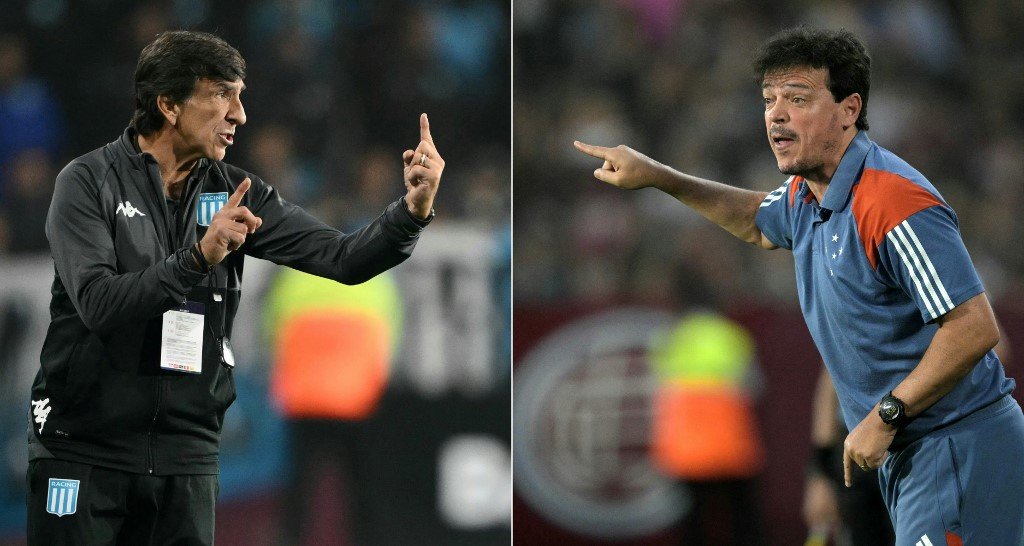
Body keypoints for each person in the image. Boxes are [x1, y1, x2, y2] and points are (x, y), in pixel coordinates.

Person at [574, 27, 1024, 545]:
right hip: (912, 454)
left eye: (797, 99)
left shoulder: (891, 201)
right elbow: (754, 220)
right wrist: (659, 176)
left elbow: (974, 327)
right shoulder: (806, 195)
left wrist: (886, 414)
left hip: (954, 446)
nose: (776, 114)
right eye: (769, 100)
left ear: (848, 110)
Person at [26, 30, 443, 546]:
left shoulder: (238, 192)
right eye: (223, 94)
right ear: (168, 104)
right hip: (85, 449)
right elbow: (99, 303)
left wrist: (412, 212)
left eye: (240, 96)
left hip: (187, 456)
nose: (240, 114)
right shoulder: (87, 183)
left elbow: (343, 258)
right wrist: (199, 258)